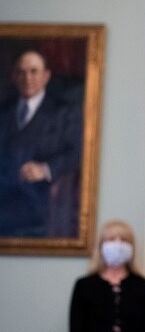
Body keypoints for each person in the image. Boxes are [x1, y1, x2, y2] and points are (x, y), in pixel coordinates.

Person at [0, 49, 82, 237]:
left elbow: (78, 152)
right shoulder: (4, 112)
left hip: (39, 198)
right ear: (14, 77)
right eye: (22, 72)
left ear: (46, 76)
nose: (27, 78)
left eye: (34, 71)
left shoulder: (63, 113)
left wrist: (45, 169)